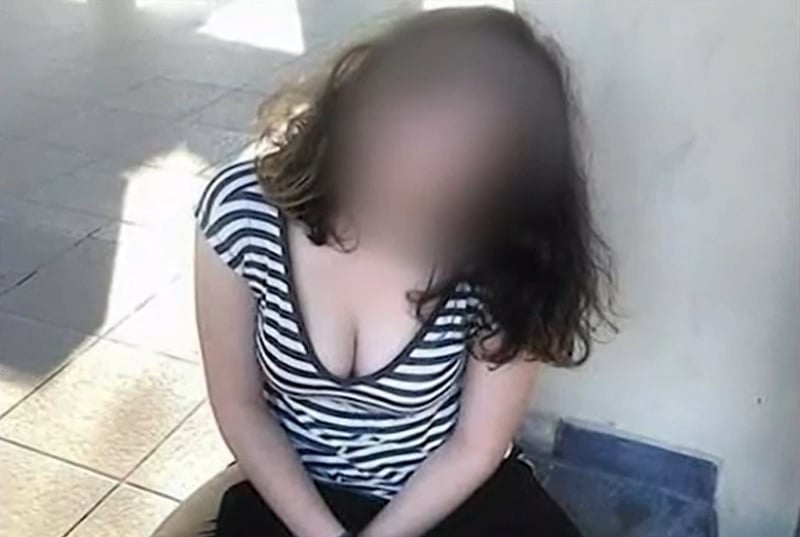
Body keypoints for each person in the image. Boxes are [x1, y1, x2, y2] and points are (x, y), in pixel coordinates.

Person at [153, 6, 615, 537]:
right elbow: (239, 404)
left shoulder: (507, 251)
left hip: (441, 500)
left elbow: (475, 447)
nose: (431, 166)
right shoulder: (244, 211)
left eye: (475, 151)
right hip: (294, 499)